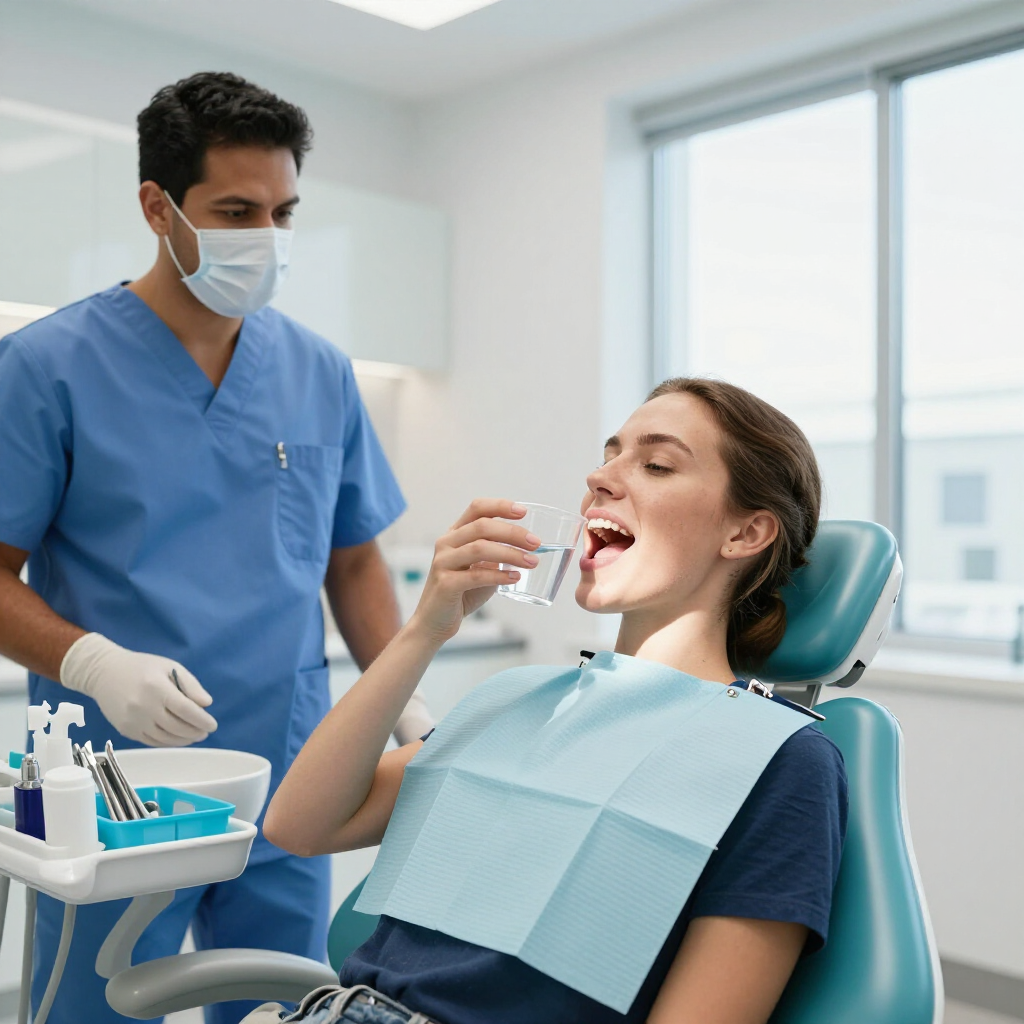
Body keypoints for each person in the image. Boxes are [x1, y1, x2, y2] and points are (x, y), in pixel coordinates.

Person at [0, 72, 431, 1024]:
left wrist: (403, 701)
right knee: (97, 1011)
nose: (266, 238)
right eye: (236, 212)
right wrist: (93, 662)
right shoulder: (45, 367)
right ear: (158, 207)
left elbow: (353, 558)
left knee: (282, 1007)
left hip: (288, 783)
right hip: (113, 792)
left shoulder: (319, 369)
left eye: (283, 213)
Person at [260, 377, 849, 1024]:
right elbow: (300, 825)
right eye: (609, 455)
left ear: (746, 533)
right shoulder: (520, 698)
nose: (600, 477)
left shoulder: (776, 758)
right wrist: (425, 629)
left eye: (656, 464)